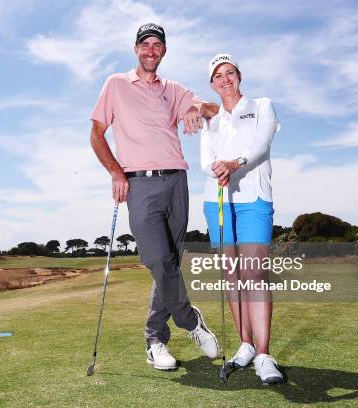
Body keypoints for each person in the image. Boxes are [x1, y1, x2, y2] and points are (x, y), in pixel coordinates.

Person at [90, 23, 220, 370]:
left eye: (157, 45)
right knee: (158, 260)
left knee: (170, 264)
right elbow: (97, 134)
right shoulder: (116, 84)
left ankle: (155, 339)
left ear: (163, 51)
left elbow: (213, 110)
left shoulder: (174, 89)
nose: (151, 50)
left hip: (176, 180)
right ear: (136, 50)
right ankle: (191, 321)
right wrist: (116, 172)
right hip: (140, 184)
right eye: (145, 44)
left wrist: (195, 108)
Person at [200, 53, 284, 385]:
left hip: (254, 198)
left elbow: (262, 144)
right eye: (218, 75)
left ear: (239, 76)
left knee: (254, 275)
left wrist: (234, 163)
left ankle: (263, 354)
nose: (225, 79)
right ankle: (245, 345)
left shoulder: (262, 105)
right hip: (217, 201)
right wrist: (217, 168)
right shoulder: (210, 119)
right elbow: (206, 160)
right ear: (212, 83)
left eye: (230, 73)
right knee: (232, 277)